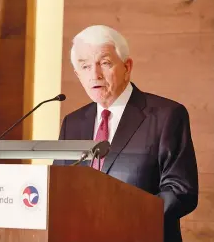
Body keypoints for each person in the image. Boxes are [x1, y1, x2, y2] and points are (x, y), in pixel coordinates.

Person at [53, 25, 198, 242]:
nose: (95, 74)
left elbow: (180, 191)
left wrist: (125, 219)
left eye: (105, 63)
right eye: (85, 66)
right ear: (77, 74)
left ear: (127, 67)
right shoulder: (72, 123)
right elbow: (59, 187)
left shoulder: (166, 115)